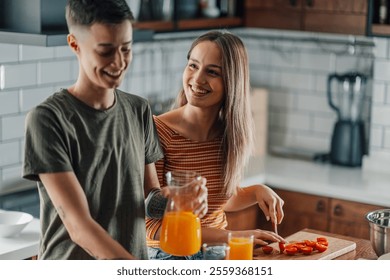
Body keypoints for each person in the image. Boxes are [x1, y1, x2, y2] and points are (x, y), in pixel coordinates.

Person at [22, 0, 207, 260]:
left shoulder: (138, 110)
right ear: (74, 44)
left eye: (126, 48)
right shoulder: (48, 120)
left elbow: (149, 199)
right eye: (105, 51)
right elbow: (79, 227)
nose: (119, 62)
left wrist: (181, 203)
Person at [145, 30, 285, 260]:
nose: (197, 79)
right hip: (168, 254)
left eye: (212, 72)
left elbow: (220, 199)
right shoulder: (158, 131)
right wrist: (233, 237)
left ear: (232, 81)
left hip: (216, 251)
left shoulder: (229, 135)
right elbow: (154, 227)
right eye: (192, 66)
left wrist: (257, 191)